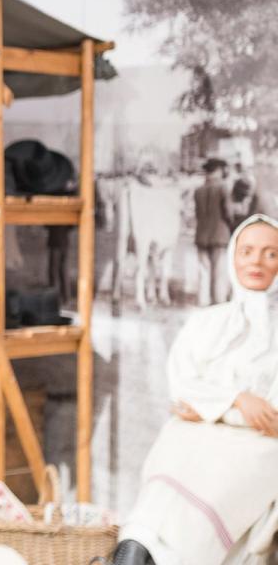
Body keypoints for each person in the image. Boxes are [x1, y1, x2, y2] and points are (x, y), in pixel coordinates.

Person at [115, 214, 278, 565]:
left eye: (270, 254)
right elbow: (184, 387)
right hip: (194, 434)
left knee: (214, 487)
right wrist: (237, 401)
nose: (256, 262)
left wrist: (215, 405)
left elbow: (270, 418)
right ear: (233, 256)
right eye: (247, 251)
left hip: (259, 447)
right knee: (163, 487)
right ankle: (131, 553)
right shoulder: (208, 322)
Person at [195, 158, 233, 305]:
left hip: (201, 236)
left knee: (204, 272)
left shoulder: (198, 190)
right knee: (219, 272)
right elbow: (228, 213)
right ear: (218, 171)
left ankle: (203, 302)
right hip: (220, 237)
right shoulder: (223, 188)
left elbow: (198, 214)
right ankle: (218, 302)